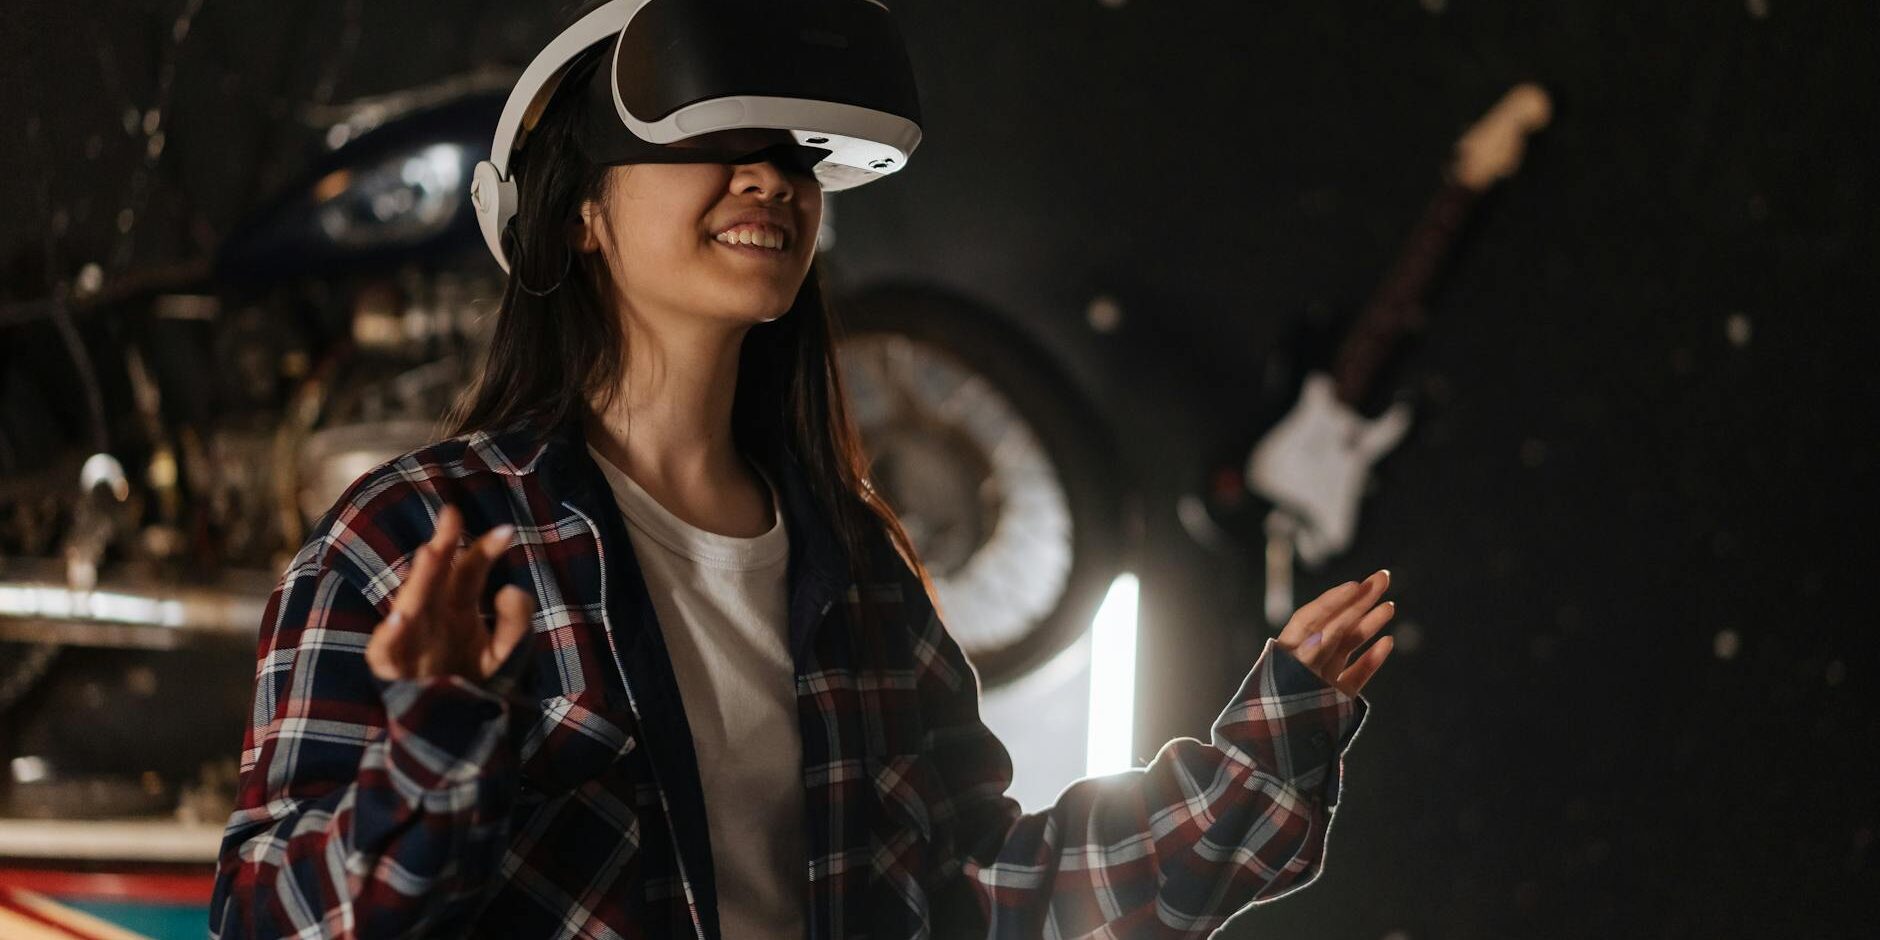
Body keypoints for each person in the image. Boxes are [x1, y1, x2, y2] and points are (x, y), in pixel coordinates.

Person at [208, 17, 1394, 940]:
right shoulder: (421, 534)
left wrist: (1256, 762)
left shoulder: (855, 567)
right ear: (579, 213)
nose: (770, 179)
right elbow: (275, 920)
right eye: (711, 146)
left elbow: (982, 896)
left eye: (791, 156)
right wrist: (435, 739)